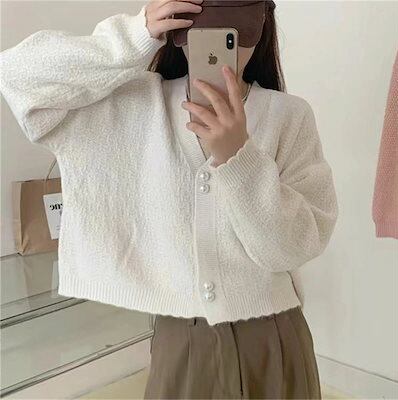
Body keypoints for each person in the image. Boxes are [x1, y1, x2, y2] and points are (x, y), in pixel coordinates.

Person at [0, 0, 339, 398]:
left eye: (234, 33)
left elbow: (295, 246)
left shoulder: (289, 116)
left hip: (275, 337)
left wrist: (238, 159)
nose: (220, 46)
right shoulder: (135, 105)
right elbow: (17, 74)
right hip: (181, 341)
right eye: (203, 29)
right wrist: (134, 35)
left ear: (263, 23)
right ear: (177, 31)